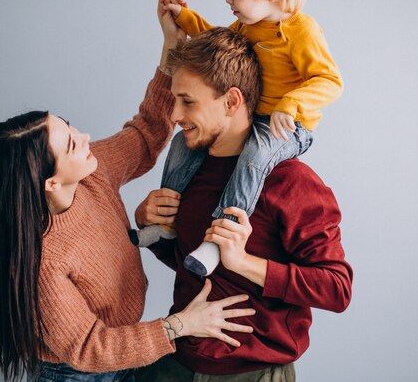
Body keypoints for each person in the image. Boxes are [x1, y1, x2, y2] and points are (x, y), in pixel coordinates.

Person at [0, 0, 257, 382]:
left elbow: (145, 133)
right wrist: (181, 325)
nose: (86, 136)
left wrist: (169, 50)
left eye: (71, 126)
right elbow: (92, 348)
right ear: (51, 181)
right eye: (72, 143)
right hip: (76, 373)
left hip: (124, 356)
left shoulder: (92, 173)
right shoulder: (45, 259)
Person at [133, 27, 353, 381]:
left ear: (232, 101)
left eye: (188, 101)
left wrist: (245, 263)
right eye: (175, 100)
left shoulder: (292, 181)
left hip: (253, 373)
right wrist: (149, 224)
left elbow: (336, 288)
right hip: (177, 363)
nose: (174, 114)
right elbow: (191, 265)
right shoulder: (190, 166)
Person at [130, 0, 344, 277]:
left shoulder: (302, 31)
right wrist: (183, 18)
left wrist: (291, 103)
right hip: (259, 117)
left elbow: (330, 80)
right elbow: (216, 41)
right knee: (180, 144)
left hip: (289, 125)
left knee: (255, 157)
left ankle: (223, 233)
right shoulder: (249, 26)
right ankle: (165, 223)